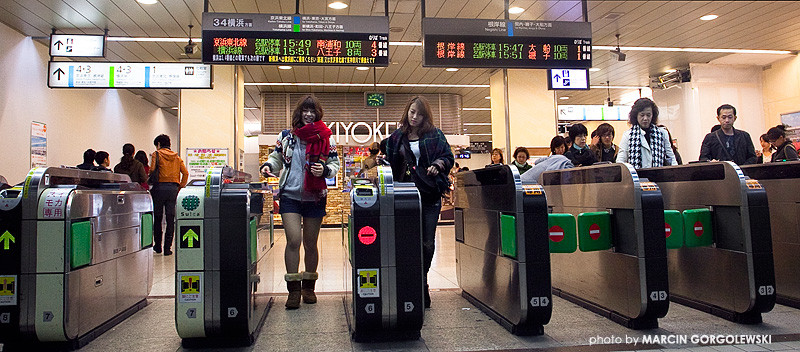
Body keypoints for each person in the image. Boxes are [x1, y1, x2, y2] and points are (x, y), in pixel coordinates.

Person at [259, 95, 340, 310]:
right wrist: (268, 166)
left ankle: (309, 288)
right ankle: (293, 290)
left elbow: (334, 163)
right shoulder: (287, 136)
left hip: (315, 197)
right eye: (305, 110)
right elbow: (276, 158)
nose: (308, 114)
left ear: (317, 113)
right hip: (290, 196)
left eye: (312, 111)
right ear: (299, 112)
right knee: (293, 240)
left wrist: (325, 170)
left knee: (310, 243)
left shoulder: (326, 137)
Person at [384, 96, 453, 309]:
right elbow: (389, 163)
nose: (414, 117)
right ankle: (409, 281)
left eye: (419, 114)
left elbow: (448, 157)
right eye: (412, 112)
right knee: (405, 241)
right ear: (407, 111)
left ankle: (421, 280)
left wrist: (438, 165)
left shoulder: (435, 135)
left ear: (425, 116)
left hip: (430, 194)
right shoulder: (397, 137)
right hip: (404, 195)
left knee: (427, 242)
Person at [149, 134, 189, 256]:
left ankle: (158, 246)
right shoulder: (177, 157)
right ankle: (168, 248)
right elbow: (185, 173)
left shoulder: (157, 154)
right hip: (172, 189)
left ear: (159, 144)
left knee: (158, 217)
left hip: (159, 188)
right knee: (170, 218)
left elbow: (151, 170)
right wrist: (180, 187)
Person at [616, 98, 677, 169]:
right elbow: (621, 161)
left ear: (653, 115)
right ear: (636, 116)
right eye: (642, 115)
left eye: (648, 115)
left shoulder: (662, 133)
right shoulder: (628, 135)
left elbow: (671, 157)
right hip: (637, 178)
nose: (645, 118)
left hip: (659, 177)